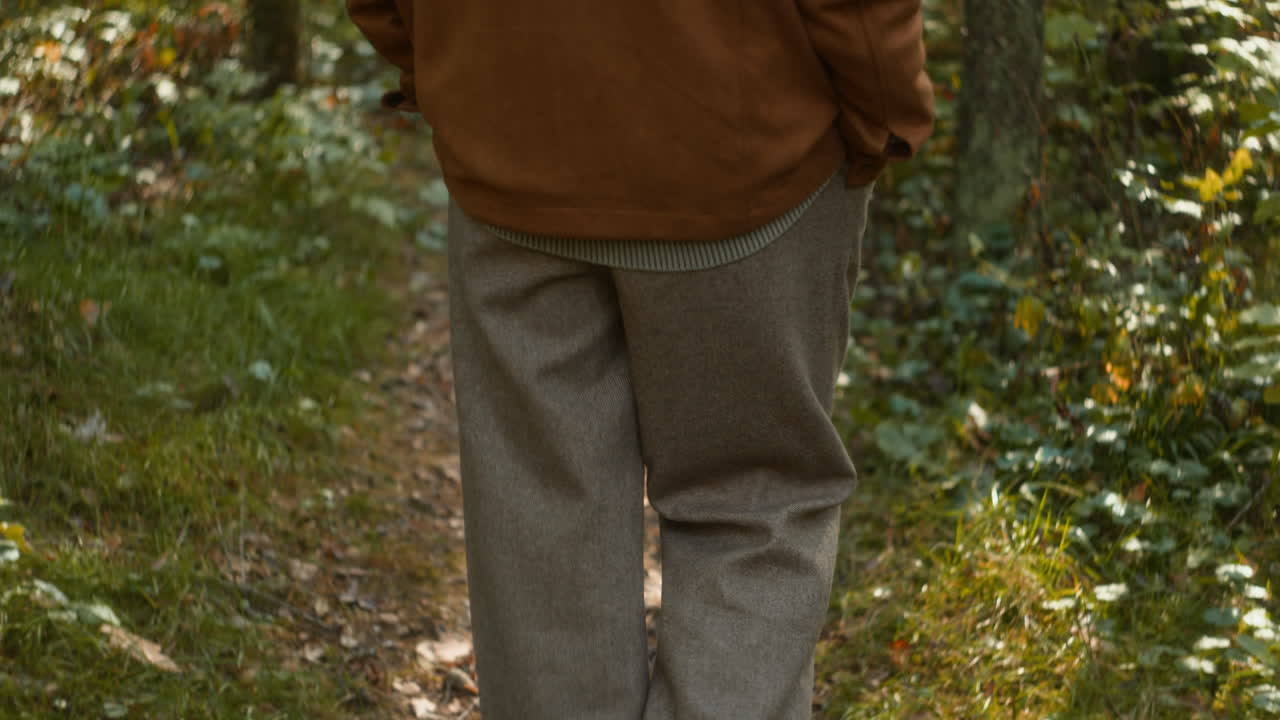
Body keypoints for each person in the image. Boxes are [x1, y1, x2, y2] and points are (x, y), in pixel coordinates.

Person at [348, 3, 933, 718]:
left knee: (540, 516)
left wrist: (448, 74)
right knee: (752, 506)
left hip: (505, 135)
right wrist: (887, 106)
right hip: (745, 150)